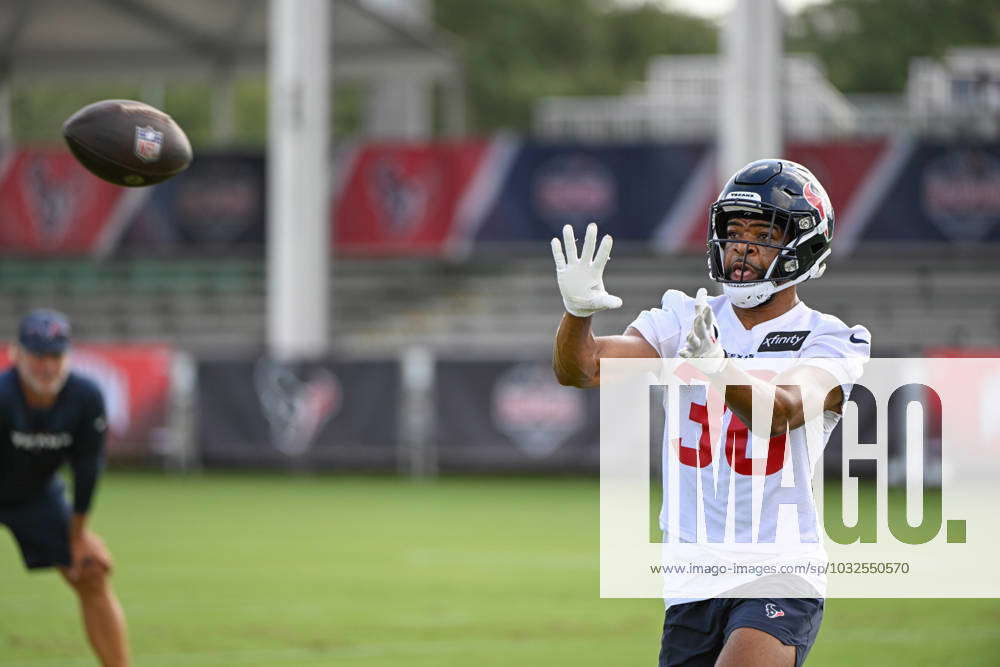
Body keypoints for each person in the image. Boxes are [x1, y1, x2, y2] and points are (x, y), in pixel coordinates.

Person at [550, 159, 871, 667]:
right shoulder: (686, 316)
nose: (742, 247)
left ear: (803, 245)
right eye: (734, 230)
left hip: (778, 568)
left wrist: (716, 367)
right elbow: (583, 370)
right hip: (691, 573)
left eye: (763, 233)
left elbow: (781, 412)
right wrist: (577, 314)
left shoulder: (830, 336)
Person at [0, 309, 130, 667]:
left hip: (36, 495)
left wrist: (78, 537)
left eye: (55, 356)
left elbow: (88, 470)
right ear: (16, 354)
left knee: (91, 570)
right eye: (37, 355)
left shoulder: (86, 398)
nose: (47, 366)